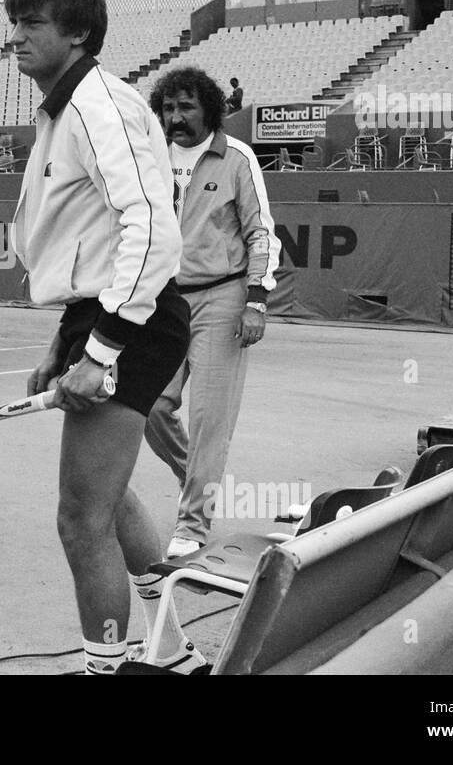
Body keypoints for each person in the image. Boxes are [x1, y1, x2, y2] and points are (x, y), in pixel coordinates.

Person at [7, 0, 207, 675]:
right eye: (15, 21)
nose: (17, 36)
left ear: (79, 33)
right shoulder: (62, 110)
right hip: (106, 316)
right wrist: (64, 344)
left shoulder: (102, 107)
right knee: (110, 492)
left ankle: (106, 668)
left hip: (136, 323)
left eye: (34, 23)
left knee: (79, 518)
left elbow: (151, 232)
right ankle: (176, 654)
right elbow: (88, 246)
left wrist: (101, 351)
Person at [144, 66, 280, 559]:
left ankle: (192, 523)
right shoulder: (151, 156)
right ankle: (197, 481)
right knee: (152, 407)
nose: (175, 118)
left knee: (207, 418)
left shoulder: (237, 158)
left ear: (209, 109)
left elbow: (261, 233)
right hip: (164, 301)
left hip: (222, 298)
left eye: (186, 107)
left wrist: (257, 300)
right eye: (168, 108)